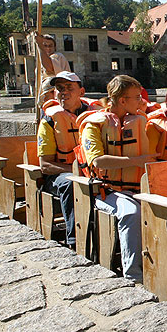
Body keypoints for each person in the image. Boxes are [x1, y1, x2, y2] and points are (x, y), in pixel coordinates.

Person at [77, 75, 156, 282]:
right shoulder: (94, 126)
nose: (142, 102)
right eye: (137, 97)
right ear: (122, 101)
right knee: (131, 212)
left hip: (137, 189)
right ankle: (133, 276)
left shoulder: (138, 120)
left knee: (161, 209)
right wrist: (136, 161)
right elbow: (98, 161)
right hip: (106, 191)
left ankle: (158, 269)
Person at [36, 71, 100, 248]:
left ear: (81, 92)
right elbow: (45, 165)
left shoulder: (97, 116)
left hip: (94, 172)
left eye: (69, 88)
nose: (63, 92)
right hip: (60, 176)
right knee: (72, 184)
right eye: (59, 88)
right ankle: (75, 241)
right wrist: (77, 171)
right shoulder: (49, 120)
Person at [34, 34, 71, 106]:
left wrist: (40, 46)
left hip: (57, 100)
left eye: (50, 46)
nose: (48, 48)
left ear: (55, 47)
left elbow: (49, 68)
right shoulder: (40, 62)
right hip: (45, 101)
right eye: (45, 46)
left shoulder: (57, 56)